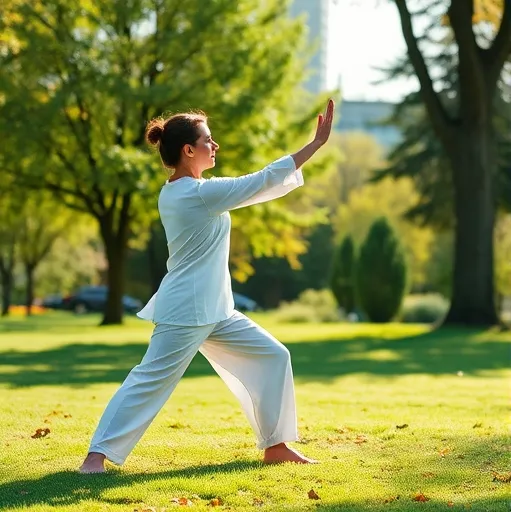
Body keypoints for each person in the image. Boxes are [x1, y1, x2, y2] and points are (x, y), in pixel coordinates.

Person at [79, 99, 335, 474]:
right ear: (188, 150)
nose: (214, 146)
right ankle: (95, 457)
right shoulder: (197, 194)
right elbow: (261, 180)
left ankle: (276, 446)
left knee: (274, 356)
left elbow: (257, 190)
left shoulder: (185, 191)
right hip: (187, 311)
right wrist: (314, 145)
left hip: (217, 310)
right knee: (148, 381)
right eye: (208, 141)